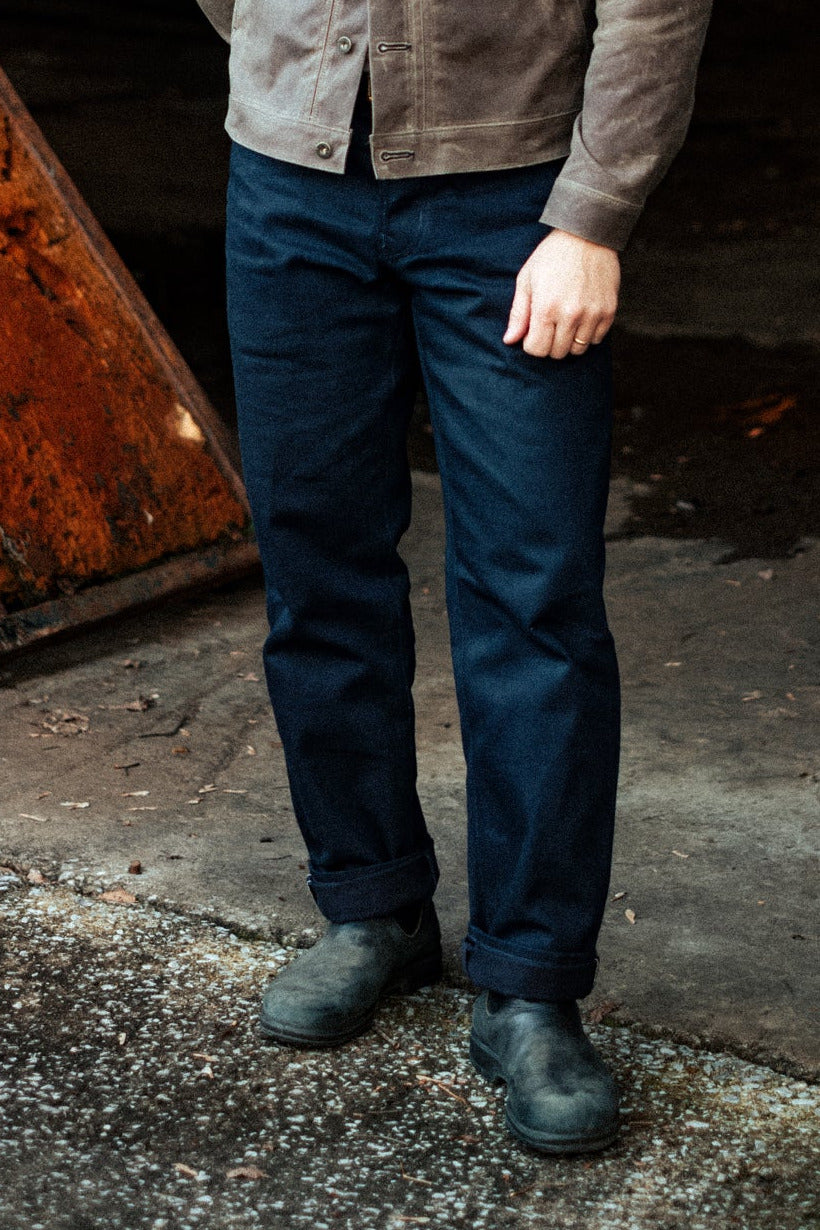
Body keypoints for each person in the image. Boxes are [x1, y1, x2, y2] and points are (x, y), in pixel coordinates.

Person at [196, 0, 711, 1154]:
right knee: (317, 568)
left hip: (510, 201)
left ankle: (530, 985)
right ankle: (369, 905)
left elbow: (654, 7)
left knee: (533, 597)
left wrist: (592, 215)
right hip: (288, 183)